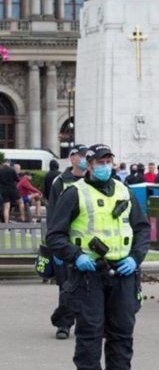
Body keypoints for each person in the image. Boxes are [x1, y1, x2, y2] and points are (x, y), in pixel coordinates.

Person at [46, 144, 150, 370]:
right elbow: (55, 235)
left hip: (123, 273)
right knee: (90, 333)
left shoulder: (125, 192)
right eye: (100, 162)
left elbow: (142, 229)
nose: (105, 166)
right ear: (89, 165)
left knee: (122, 331)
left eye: (108, 161)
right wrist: (75, 255)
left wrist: (135, 258)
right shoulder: (74, 193)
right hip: (88, 274)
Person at [47, 144, 88, 340]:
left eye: (86, 156)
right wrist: (55, 246)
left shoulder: (93, 181)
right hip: (65, 243)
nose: (84, 159)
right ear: (72, 158)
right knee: (66, 287)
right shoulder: (60, 182)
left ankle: (89, 323)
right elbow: (53, 214)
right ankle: (64, 323)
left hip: (89, 244)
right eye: (80, 156)